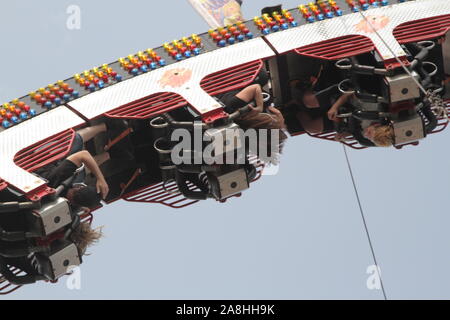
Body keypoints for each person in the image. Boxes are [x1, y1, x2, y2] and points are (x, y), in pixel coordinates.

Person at [36, 123, 110, 209]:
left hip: (39, 155)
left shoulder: (59, 178)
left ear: (80, 187)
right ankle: (109, 154)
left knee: (76, 141)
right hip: (51, 168)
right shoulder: (61, 202)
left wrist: (100, 179)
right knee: (81, 172)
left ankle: (106, 126)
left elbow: (83, 155)